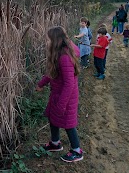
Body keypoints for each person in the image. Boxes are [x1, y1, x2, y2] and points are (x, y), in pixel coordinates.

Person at [36, 26, 83, 162]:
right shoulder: (59, 53)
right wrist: (41, 84)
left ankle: (77, 151)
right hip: (58, 94)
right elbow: (53, 73)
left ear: (55, 40)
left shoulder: (64, 57)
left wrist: (62, 104)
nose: (47, 41)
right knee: (53, 117)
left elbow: (69, 84)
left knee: (69, 123)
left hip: (66, 96)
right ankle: (55, 143)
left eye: (49, 39)